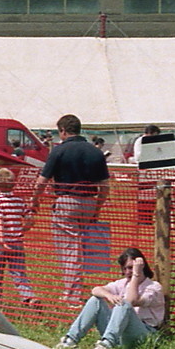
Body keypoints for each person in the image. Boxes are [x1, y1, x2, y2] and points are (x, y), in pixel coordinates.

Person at [30, 114, 110, 304]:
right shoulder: (95, 151)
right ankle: (73, 289)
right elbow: (105, 186)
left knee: (69, 248)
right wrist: (97, 208)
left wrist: (34, 201)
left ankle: (72, 295)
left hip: (66, 202)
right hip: (89, 200)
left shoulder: (59, 151)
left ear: (63, 131)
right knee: (80, 246)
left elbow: (42, 181)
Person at [57, 247, 166, 349]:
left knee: (123, 304)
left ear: (141, 266)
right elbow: (95, 290)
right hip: (120, 332)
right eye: (125, 269)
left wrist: (136, 275)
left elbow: (131, 300)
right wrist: (109, 296)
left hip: (143, 333)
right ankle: (70, 340)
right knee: (96, 300)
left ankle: (106, 346)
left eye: (131, 268)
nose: (128, 272)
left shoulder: (154, 287)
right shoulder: (122, 283)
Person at [0, 168, 37, 307]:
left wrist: (2, 239)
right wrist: (22, 231)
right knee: (19, 272)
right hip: (17, 242)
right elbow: (30, 219)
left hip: (1, 243)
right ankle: (29, 297)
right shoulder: (19, 201)